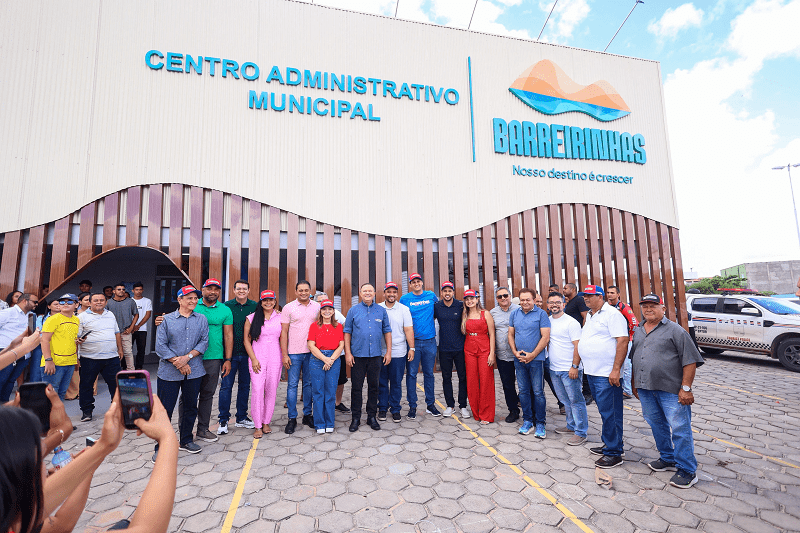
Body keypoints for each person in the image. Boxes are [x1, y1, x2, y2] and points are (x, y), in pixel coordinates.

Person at [0, 387, 180, 533]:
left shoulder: (9, 517)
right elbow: (148, 529)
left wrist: (102, 448)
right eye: (38, 454)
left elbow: (60, 525)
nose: (44, 457)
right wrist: (167, 438)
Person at [631, 293, 704, 488]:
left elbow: (690, 361)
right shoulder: (639, 329)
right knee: (656, 424)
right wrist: (634, 382)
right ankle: (667, 457)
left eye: (653, 306)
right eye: (645, 306)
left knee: (680, 428)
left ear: (663, 309)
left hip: (671, 390)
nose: (648, 309)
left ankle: (687, 470)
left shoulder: (676, 331)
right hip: (646, 388)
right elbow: (635, 357)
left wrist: (686, 389)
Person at [174, 279, 233, 443]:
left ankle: (202, 429)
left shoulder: (225, 310)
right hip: (191, 358)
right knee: (188, 396)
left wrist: (227, 359)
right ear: (203, 290)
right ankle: (184, 431)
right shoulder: (193, 304)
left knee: (207, 394)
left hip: (213, 358)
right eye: (209, 288)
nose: (213, 292)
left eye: (216, 289)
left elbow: (228, 336)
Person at [577, 285, 629, 468]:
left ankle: (614, 453)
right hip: (593, 371)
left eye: (590, 296)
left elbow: (623, 340)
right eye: (585, 296)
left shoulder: (612, 314)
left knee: (611, 412)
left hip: (606, 373)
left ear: (600, 297)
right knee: (605, 411)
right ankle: (611, 444)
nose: (586, 299)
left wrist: (616, 370)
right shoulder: (591, 315)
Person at [154, 285, 209, 459]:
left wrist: (187, 358)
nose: (193, 301)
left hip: (194, 370)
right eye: (189, 298)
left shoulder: (201, 319)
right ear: (179, 300)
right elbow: (160, 346)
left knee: (190, 407)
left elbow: (204, 342)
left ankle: (186, 440)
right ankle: (161, 446)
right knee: (165, 409)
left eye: (195, 298)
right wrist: (178, 362)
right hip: (168, 372)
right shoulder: (166, 320)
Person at [344, 284, 392, 432]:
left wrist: (388, 352)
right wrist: (348, 353)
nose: (367, 293)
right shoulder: (353, 311)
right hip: (357, 356)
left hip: (376, 355)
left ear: (374, 293)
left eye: (370, 291)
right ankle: (356, 418)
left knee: (374, 387)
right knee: (356, 388)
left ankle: (371, 417)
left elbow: (387, 331)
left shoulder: (381, 311)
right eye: (365, 291)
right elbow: (347, 332)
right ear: (360, 293)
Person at [545, 292, 587, 446]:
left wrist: (575, 366)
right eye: (551, 302)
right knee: (565, 400)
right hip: (554, 369)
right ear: (547, 305)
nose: (554, 305)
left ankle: (581, 432)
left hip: (570, 369)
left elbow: (578, 346)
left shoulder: (571, 322)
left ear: (564, 304)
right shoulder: (548, 321)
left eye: (558, 302)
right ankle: (571, 425)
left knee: (576, 401)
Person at [508, 288, 551, 438]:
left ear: (534, 300)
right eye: (522, 300)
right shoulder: (514, 313)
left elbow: (545, 337)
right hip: (519, 359)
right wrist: (514, 351)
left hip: (536, 360)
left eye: (528, 299)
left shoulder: (541, 314)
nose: (525, 302)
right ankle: (527, 421)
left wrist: (532, 355)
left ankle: (540, 423)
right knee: (523, 391)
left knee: (538, 392)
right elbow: (510, 334)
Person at [219, 279, 259, 435]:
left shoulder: (255, 306)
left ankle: (241, 417)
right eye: (239, 289)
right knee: (226, 386)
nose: (241, 291)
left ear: (248, 291)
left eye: (244, 289)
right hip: (229, 355)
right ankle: (223, 419)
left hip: (248, 354)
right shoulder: (226, 306)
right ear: (234, 290)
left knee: (244, 386)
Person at [281, 280, 321, 434]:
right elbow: (284, 332)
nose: (303, 293)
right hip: (294, 353)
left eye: (306, 290)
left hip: (312, 353)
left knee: (309, 385)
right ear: (296, 292)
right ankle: (292, 418)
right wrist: (285, 354)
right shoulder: (288, 307)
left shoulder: (317, 307)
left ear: (310, 291)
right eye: (300, 290)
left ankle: (307, 415)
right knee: (292, 386)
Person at [76, 293, 123, 422]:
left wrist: (120, 349)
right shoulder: (81, 317)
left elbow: (116, 332)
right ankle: (87, 411)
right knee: (86, 385)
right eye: (95, 300)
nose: (99, 302)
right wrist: (78, 344)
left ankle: (117, 410)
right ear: (89, 303)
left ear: (106, 302)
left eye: (102, 300)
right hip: (89, 357)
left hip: (111, 357)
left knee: (116, 384)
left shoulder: (110, 314)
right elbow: (77, 337)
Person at [399, 273, 439, 418]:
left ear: (422, 283)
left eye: (418, 281)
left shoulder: (431, 295)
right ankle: (412, 406)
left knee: (429, 374)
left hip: (429, 341)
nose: (416, 284)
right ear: (410, 284)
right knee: (411, 374)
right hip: (413, 343)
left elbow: (436, 312)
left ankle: (430, 405)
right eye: (413, 282)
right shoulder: (404, 299)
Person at [244, 290, 283, 438]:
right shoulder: (252, 318)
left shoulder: (280, 317)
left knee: (271, 390)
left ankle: (266, 422)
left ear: (275, 301)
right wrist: (254, 359)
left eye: (271, 300)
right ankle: (258, 425)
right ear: (260, 302)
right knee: (257, 390)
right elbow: (246, 340)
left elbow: (284, 337)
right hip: (257, 358)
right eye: (265, 300)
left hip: (275, 358)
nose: (268, 303)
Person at [377, 282, 414, 423]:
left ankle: (395, 409)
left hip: (399, 352)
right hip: (380, 352)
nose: (391, 294)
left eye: (394, 292)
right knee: (381, 381)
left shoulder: (404, 309)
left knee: (396, 382)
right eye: (389, 292)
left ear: (397, 294)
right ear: (384, 293)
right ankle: (382, 407)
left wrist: (412, 348)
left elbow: (408, 329)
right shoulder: (378, 308)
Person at [307, 299, 345, 434]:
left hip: (334, 359)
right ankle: (319, 423)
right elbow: (311, 345)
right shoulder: (314, 326)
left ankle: (330, 423)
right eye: (324, 309)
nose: (327, 311)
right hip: (317, 359)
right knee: (318, 392)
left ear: (333, 311)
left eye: (329, 309)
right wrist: (324, 359)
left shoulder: (338, 326)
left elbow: (341, 345)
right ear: (320, 311)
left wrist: (331, 360)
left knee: (330, 392)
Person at [434, 281, 469, 419]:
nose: (447, 293)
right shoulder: (437, 306)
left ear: (453, 292)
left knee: (463, 377)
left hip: (460, 348)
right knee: (446, 377)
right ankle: (450, 405)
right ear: (441, 293)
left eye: (449, 291)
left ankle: (463, 406)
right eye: (445, 291)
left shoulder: (461, 305)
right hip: (444, 348)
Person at [462, 290, 495, 424]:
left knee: (486, 381)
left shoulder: (485, 313)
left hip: (484, 349)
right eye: (467, 299)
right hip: (469, 349)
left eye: (472, 298)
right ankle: (476, 412)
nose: (469, 301)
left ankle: (486, 415)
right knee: (472, 381)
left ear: (477, 299)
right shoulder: (464, 314)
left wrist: (492, 353)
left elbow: (492, 334)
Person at [489, 286, 520, 423]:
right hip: (503, 356)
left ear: (510, 295)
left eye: (505, 295)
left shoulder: (519, 310)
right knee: (508, 385)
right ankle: (513, 411)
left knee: (525, 385)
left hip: (520, 354)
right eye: (500, 296)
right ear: (497, 299)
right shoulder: (493, 313)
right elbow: (490, 333)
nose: (503, 298)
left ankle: (530, 410)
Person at [315, 292, 350, 413]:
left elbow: (346, 326)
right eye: (320, 301)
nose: (323, 303)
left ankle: (337, 403)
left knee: (340, 380)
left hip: (338, 354)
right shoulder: (313, 313)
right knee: (318, 382)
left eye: (325, 300)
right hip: (319, 355)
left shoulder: (336, 313)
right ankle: (320, 406)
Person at [41, 294, 80, 400]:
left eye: (69, 302)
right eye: (62, 302)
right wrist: (48, 360)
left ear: (76, 305)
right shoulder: (53, 319)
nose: (65, 304)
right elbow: (44, 340)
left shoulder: (76, 320)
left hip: (70, 362)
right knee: (51, 395)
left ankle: (58, 412)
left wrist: (76, 358)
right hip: (54, 363)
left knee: (62, 393)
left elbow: (71, 339)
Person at [0, 292, 38, 400]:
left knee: (11, 381)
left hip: (24, 354)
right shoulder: (8, 312)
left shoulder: (32, 316)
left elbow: (30, 334)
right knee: (1, 380)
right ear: (25, 301)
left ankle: (4, 405)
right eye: (34, 302)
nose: (36, 304)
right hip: (7, 351)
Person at [606, 285, 639, 399]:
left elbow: (634, 322)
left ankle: (627, 390)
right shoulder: (607, 307)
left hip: (625, 341)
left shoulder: (623, 306)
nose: (609, 295)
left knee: (626, 366)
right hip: (613, 341)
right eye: (608, 292)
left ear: (618, 294)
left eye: (612, 293)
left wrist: (629, 336)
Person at [564, 282, 593, 405]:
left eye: (566, 288)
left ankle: (588, 393)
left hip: (580, 337)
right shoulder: (570, 302)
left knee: (583, 365)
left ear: (573, 289)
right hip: (572, 338)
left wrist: (584, 333)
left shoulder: (579, 300)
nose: (563, 290)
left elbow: (585, 316)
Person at [64, 292, 92, 401]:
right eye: (86, 300)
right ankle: (73, 393)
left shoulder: (94, 314)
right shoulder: (75, 316)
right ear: (79, 302)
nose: (89, 302)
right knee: (74, 369)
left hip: (88, 345)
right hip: (72, 346)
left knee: (87, 369)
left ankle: (86, 391)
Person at [105, 283, 139, 371]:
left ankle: (131, 372)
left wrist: (131, 327)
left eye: (123, 289)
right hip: (112, 333)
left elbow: (136, 314)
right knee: (113, 353)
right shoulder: (108, 302)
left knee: (128, 352)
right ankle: (115, 372)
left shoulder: (130, 301)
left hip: (125, 331)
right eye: (119, 289)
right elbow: (104, 317)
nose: (122, 291)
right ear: (114, 291)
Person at [29, 299, 59, 382]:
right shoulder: (41, 318)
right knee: (37, 369)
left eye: (60, 304)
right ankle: (35, 388)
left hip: (57, 347)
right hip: (41, 346)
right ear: (49, 306)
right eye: (56, 304)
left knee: (55, 371)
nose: (58, 306)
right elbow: (39, 332)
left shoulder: (65, 318)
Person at [131, 282, 153, 370]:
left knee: (141, 349)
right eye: (136, 290)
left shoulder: (147, 301)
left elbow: (148, 315)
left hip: (142, 329)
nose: (138, 291)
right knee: (128, 350)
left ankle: (139, 368)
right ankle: (127, 367)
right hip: (130, 329)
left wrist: (138, 326)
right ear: (133, 290)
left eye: (140, 289)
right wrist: (132, 327)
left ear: (143, 290)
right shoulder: (129, 301)